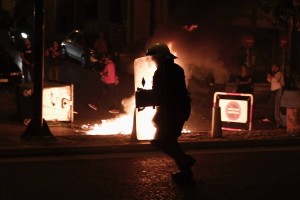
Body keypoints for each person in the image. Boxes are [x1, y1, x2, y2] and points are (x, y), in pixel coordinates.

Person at [145, 42, 195, 184]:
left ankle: (185, 161)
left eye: (154, 58)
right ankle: (186, 173)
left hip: (171, 111)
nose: (153, 60)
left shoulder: (161, 72)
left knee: (161, 141)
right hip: (181, 108)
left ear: (160, 57)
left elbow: (159, 94)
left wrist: (145, 97)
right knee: (170, 141)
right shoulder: (177, 69)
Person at [262, 63, 285, 128]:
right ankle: (270, 118)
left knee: (276, 107)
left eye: (274, 67)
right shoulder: (274, 74)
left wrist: (271, 77)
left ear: (277, 68)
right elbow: (270, 80)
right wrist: (269, 77)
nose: (273, 68)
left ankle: (278, 122)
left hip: (278, 90)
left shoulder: (280, 73)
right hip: (273, 90)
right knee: (271, 104)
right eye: (272, 67)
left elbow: (276, 80)